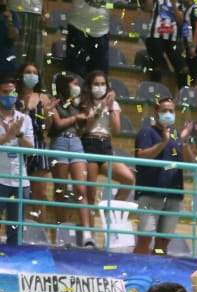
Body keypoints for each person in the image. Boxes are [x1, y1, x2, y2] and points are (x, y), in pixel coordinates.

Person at [133, 97, 195, 256]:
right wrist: (163, 143)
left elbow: (190, 161)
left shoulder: (177, 136)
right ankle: (137, 272)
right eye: (164, 110)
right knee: (144, 239)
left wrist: (185, 142)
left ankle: (157, 273)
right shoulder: (147, 132)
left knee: (162, 242)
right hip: (150, 194)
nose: (168, 114)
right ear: (156, 112)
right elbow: (141, 156)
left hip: (173, 196)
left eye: (171, 111)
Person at [47, 71, 93, 247]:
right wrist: (75, 118)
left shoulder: (76, 105)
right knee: (61, 191)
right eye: (73, 84)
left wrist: (85, 120)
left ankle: (88, 234)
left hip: (76, 143)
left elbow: (80, 129)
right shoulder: (55, 102)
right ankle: (61, 234)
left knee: (81, 189)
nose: (76, 87)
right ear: (64, 85)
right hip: (59, 143)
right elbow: (57, 124)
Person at [78, 70, 134, 206]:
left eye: (103, 84)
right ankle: (89, 227)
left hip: (106, 145)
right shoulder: (84, 102)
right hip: (90, 143)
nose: (100, 87)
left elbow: (116, 129)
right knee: (90, 193)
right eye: (96, 84)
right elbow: (86, 126)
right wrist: (101, 106)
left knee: (128, 179)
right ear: (90, 86)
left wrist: (109, 107)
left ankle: (111, 211)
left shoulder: (113, 104)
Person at [17, 62, 52, 241]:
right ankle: (17, 234)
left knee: (38, 194)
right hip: (17, 146)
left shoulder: (44, 98)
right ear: (21, 75)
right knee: (16, 193)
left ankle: (41, 236)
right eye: (27, 72)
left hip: (38, 144)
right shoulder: (13, 96)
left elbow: (48, 127)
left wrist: (48, 113)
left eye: (34, 72)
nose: (31, 75)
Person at [0, 77, 33, 245]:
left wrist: (18, 134)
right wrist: (8, 136)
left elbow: (30, 148)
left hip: (20, 182)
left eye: (11, 93)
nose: (8, 96)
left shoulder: (24, 119)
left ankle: (12, 265)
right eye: (4, 92)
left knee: (15, 230)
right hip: (0, 180)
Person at [143, 0, 191, 94]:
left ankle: (183, 96)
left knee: (183, 68)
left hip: (171, 40)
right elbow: (147, 8)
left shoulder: (179, 3)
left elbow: (180, 21)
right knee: (157, 65)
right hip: (155, 37)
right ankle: (155, 95)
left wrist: (173, 5)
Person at [66, 0, 109, 81]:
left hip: (102, 32)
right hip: (78, 29)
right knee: (76, 74)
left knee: (99, 76)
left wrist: (106, 5)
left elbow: (111, 5)